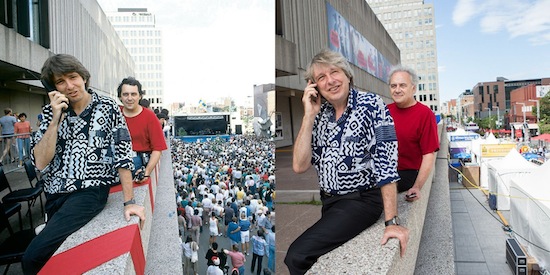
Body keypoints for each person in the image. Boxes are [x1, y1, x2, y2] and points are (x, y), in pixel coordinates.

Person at [285, 49, 409, 274]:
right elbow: (299, 166)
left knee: (297, 255)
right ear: (314, 86)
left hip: (361, 201)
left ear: (348, 75)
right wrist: (308, 115)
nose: (330, 81)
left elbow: (386, 161)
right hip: (330, 203)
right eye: (321, 78)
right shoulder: (319, 113)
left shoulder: (371, 105)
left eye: (334, 72)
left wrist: (392, 222)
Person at [22, 54, 146, 274]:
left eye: (73, 77)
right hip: (54, 194)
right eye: (61, 81)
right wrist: (55, 120)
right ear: (54, 87)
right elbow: (40, 162)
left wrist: (129, 201)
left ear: (83, 77)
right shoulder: (52, 111)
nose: (69, 86)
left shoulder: (107, 107)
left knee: (32, 258)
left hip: (89, 192)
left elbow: (123, 154)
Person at [387, 65, 439, 201]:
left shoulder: (425, 114)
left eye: (402, 85)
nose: (397, 90)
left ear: (413, 88)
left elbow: (428, 155)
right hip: (383, 171)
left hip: (407, 174)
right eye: (393, 86)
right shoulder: (384, 111)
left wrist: (417, 187)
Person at [117, 77, 167, 182]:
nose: (129, 98)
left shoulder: (150, 117)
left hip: (137, 159)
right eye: (125, 94)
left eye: (133, 94)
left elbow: (157, 149)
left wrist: (146, 173)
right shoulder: (115, 113)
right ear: (120, 97)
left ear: (140, 96)